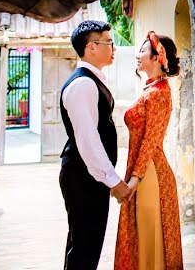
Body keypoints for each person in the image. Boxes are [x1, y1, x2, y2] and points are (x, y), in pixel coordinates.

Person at [59, 20, 134, 270]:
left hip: (89, 177)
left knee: (86, 245)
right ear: (91, 47)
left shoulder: (92, 80)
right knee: (84, 246)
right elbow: (89, 141)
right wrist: (113, 181)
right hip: (83, 177)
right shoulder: (83, 84)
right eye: (109, 43)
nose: (114, 48)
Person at [114, 31, 184, 270]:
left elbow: (150, 141)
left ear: (157, 57)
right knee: (144, 239)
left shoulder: (158, 94)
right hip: (145, 170)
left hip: (149, 174)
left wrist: (134, 180)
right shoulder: (152, 90)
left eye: (143, 50)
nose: (138, 55)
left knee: (149, 239)